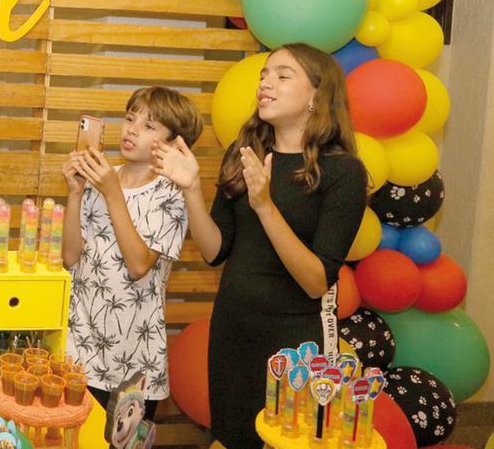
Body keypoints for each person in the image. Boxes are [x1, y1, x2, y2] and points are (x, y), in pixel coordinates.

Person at [153, 44, 367, 449]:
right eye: (264, 75)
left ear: (317, 96)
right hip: (233, 330)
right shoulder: (245, 153)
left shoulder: (343, 171)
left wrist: (265, 206)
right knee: (234, 437)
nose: (266, 83)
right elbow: (217, 250)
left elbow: (315, 282)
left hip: (295, 342)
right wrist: (191, 191)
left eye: (283, 75)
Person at [61, 87, 203, 418]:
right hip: (79, 349)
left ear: (173, 144)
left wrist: (112, 194)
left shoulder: (171, 195)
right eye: (130, 119)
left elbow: (139, 265)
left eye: (149, 126)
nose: (132, 129)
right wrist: (75, 194)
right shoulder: (101, 180)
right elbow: (70, 257)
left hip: (135, 360)